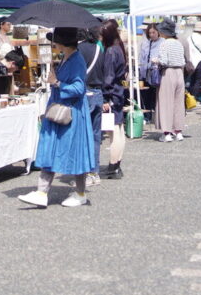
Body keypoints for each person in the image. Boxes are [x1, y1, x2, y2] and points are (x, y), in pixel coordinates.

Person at [18, 28, 95, 208]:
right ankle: (42, 192)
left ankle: (79, 193)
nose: (54, 44)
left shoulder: (76, 60)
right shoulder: (67, 58)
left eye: (56, 41)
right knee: (51, 148)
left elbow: (79, 89)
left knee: (75, 151)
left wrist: (57, 83)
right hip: (61, 109)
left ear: (62, 43)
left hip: (71, 112)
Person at [77, 26, 104, 187]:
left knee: (82, 135)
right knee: (95, 135)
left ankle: (85, 173)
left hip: (84, 92)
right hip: (98, 92)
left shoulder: (79, 50)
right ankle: (94, 172)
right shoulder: (99, 49)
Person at [100, 19, 127, 179]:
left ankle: (113, 165)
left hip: (112, 94)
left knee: (113, 131)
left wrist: (105, 98)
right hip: (119, 92)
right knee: (119, 129)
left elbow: (108, 78)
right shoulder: (119, 47)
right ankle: (117, 165)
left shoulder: (110, 51)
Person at [153, 18, 187, 142]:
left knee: (166, 103)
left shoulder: (164, 44)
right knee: (179, 103)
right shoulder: (179, 43)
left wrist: (155, 60)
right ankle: (178, 132)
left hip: (168, 73)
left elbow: (164, 61)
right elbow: (183, 60)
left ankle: (167, 133)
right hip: (179, 73)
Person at [138, 23, 163, 123]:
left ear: (158, 32)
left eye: (154, 32)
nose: (152, 35)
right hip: (145, 73)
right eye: (150, 33)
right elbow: (141, 58)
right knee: (146, 95)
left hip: (156, 73)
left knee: (156, 95)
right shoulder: (145, 43)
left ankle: (157, 116)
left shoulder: (162, 42)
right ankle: (147, 116)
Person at [187, 22, 201, 99]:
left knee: (192, 81)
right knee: (198, 81)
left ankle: (189, 99)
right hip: (200, 61)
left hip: (190, 62)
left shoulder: (189, 38)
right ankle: (194, 98)